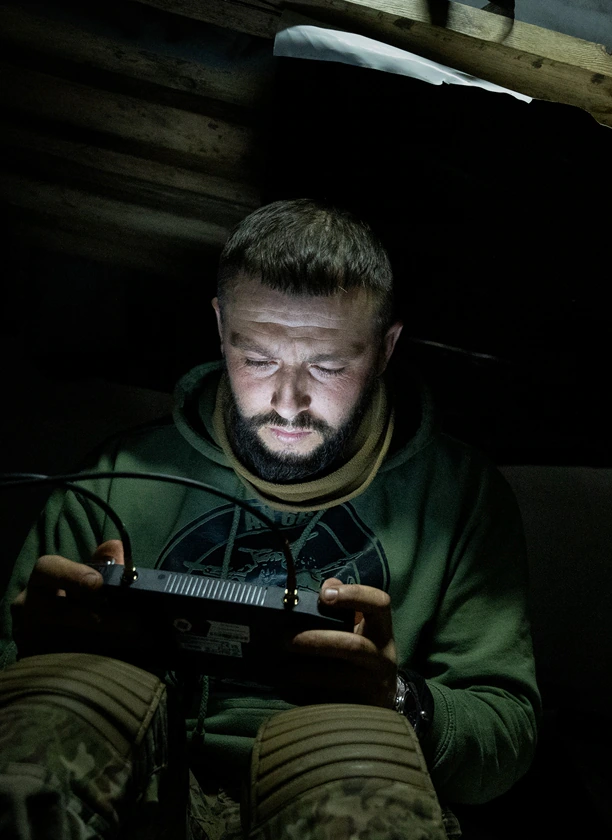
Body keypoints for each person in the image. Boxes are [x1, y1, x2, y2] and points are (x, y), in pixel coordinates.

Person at [0, 199, 539, 839]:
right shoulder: (120, 475)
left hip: (341, 774)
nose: (288, 402)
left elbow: (505, 741)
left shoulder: (460, 499)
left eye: (329, 366)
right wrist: (49, 656)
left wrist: (398, 698)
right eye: (257, 358)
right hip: (142, 780)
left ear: (387, 348)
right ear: (220, 326)